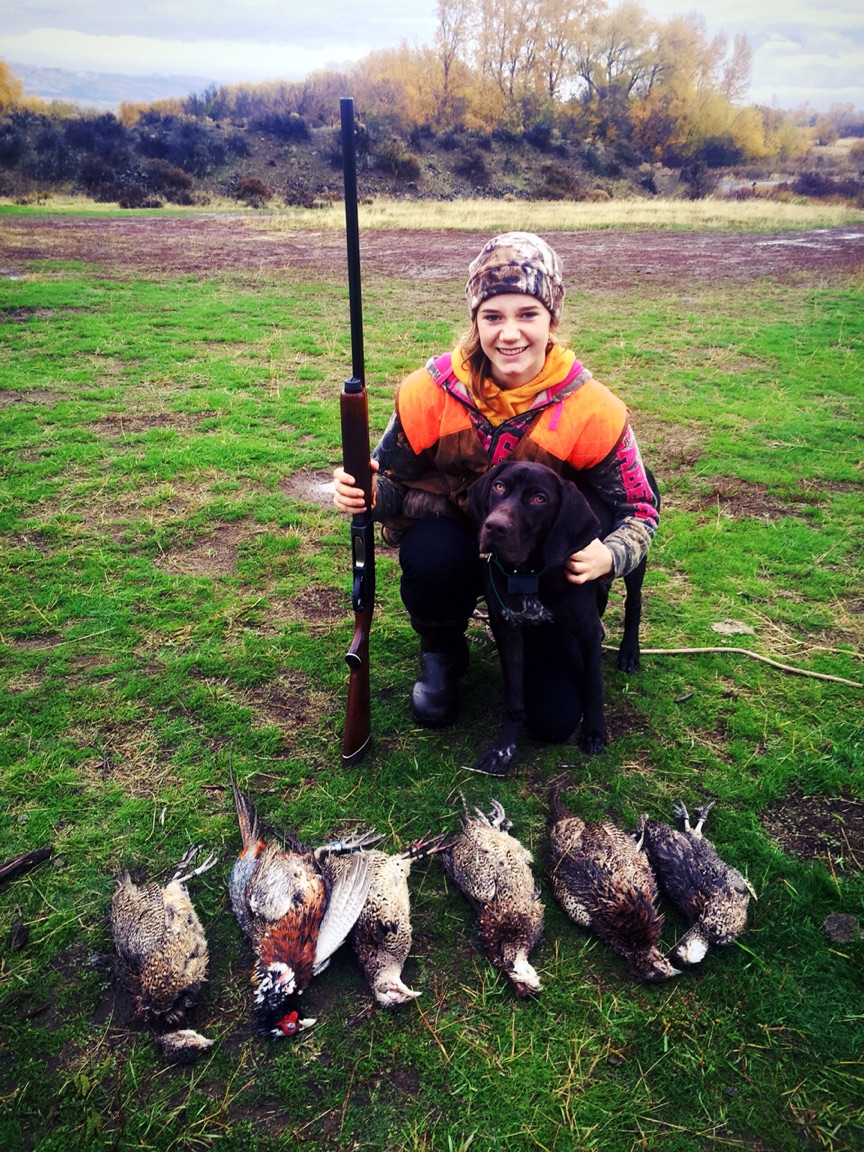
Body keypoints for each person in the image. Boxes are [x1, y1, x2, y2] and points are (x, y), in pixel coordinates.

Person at [333, 231, 658, 753]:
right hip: (463, 543)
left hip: (548, 568)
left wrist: (611, 554)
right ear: (475, 321)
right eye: (493, 316)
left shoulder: (594, 408)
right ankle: (442, 652)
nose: (510, 334)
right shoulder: (428, 392)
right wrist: (365, 495)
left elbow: (641, 510)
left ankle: (545, 637)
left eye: (527, 314)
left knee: (553, 722)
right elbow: (389, 483)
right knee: (433, 552)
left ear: (552, 320)